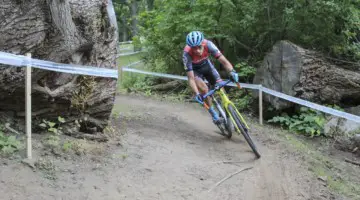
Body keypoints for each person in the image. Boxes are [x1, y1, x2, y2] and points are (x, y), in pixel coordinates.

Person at [182, 31, 239, 124]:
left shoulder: (208, 44)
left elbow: (224, 61)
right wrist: (197, 94)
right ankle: (214, 114)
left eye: (199, 47)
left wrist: (232, 72)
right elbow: (191, 78)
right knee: (205, 90)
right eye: (194, 48)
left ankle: (227, 112)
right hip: (195, 71)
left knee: (221, 87)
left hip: (207, 67)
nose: (197, 50)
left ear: (202, 43)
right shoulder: (186, 54)